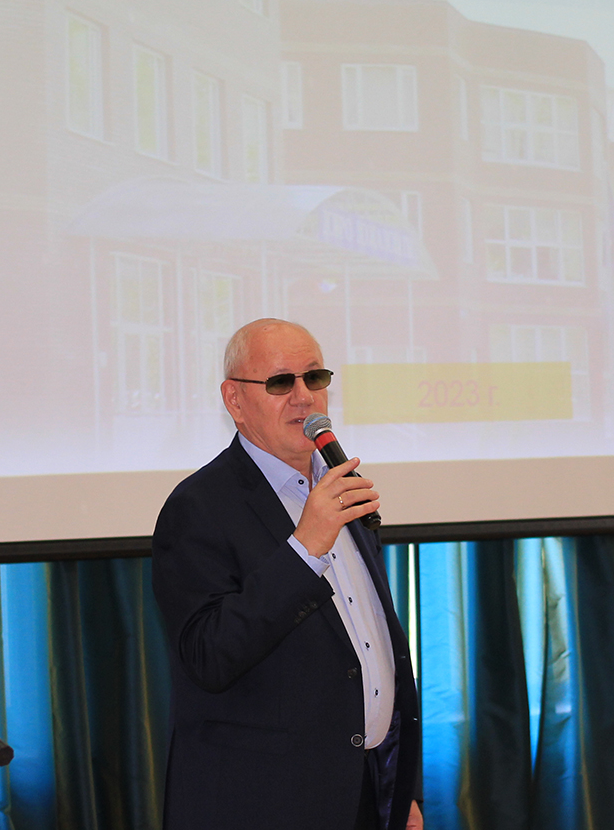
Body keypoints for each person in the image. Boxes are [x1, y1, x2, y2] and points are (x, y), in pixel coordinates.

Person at [152, 318, 423, 830]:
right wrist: (304, 549)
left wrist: (399, 787)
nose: (304, 397)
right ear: (235, 400)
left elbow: (372, 650)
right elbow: (209, 656)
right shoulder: (198, 507)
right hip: (265, 804)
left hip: (367, 791)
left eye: (315, 378)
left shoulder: (342, 488)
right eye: (280, 382)